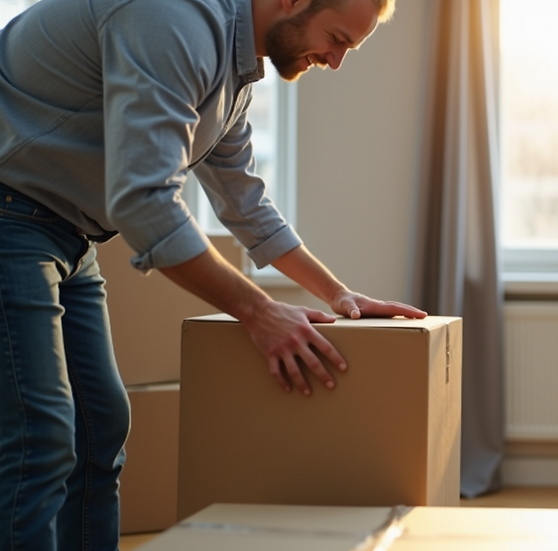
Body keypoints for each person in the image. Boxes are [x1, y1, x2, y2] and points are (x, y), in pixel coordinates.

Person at [0, 0, 424, 549]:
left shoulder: (233, 64)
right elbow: (144, 201)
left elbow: (243, 200)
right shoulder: (173, 19)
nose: (337, 61)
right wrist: (260, 312)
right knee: (42, 437)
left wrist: (338, 294)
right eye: (338, 38)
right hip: (11, 216)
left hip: (66, 231)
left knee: (98, 426)